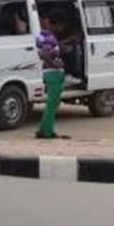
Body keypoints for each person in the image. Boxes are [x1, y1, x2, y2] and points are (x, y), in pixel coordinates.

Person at [34, 9, 69, 139]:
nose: (61, 29)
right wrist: (56, 65)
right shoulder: (48, 37)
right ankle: (47, 131)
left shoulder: (44, 36)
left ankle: (44, 129)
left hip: (50, 72)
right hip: (53, 73)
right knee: (52, 105)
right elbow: (45, 55)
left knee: (52, 104)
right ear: (57, 24)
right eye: (61, 26)